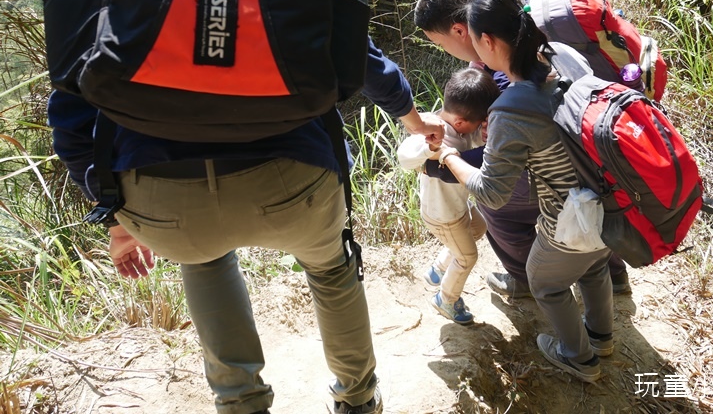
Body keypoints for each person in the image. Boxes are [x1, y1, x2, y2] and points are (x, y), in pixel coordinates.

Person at [48, 36, 445, 414]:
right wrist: (410, 118)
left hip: (163, 197)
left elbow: (71, 116)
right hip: (294, 175)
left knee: (202, 260)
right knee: (330, 269)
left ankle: (241, 404)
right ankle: (358, 398)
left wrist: (117, 219)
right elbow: (354, 46)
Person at [437, 0, 614, 383]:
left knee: (544, 281)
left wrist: (448, 156)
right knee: (595, 265)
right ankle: (602, 337)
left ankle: (580, 358)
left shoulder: (511, 106)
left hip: (567, 221)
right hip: (606, 203)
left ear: (487, 40)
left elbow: (492, 193)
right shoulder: (562, 62)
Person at [413, 0, 631, 297]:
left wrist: (443, 165)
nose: (443, 50)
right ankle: (614, 275)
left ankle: (528, 281)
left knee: (495, 209)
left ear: (461, 32)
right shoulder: (512, 32)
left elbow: (502, 155)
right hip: (590, 159)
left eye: (438, 42)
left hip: (556, 169)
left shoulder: (499, 66)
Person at [398, 67, 499, 325]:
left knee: (479, 228)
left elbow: (470, 139)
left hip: (457, 207)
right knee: (468, 257)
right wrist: (429, 146)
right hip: (443, 216)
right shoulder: (432, 129)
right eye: (479, 123)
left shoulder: (463, 128)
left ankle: (438, 269)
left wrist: (482, 135)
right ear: (460, 123)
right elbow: (404, 157)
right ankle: (447, 299)